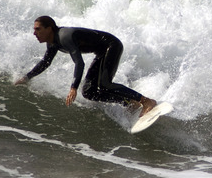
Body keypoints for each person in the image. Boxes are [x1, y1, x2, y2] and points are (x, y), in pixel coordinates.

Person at [14, 16, 157, 116]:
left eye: (38, 29)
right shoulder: (52, 43)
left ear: (49, 28)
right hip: (101, 51)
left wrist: (73, 88)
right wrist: (27, 78)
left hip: (111, 45)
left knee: (104, 83)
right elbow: (45, 62)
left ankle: (146, 101)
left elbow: (79, 62)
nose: (34, 33)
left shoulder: (64, 37)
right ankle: (129, 102)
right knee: (89, 92)